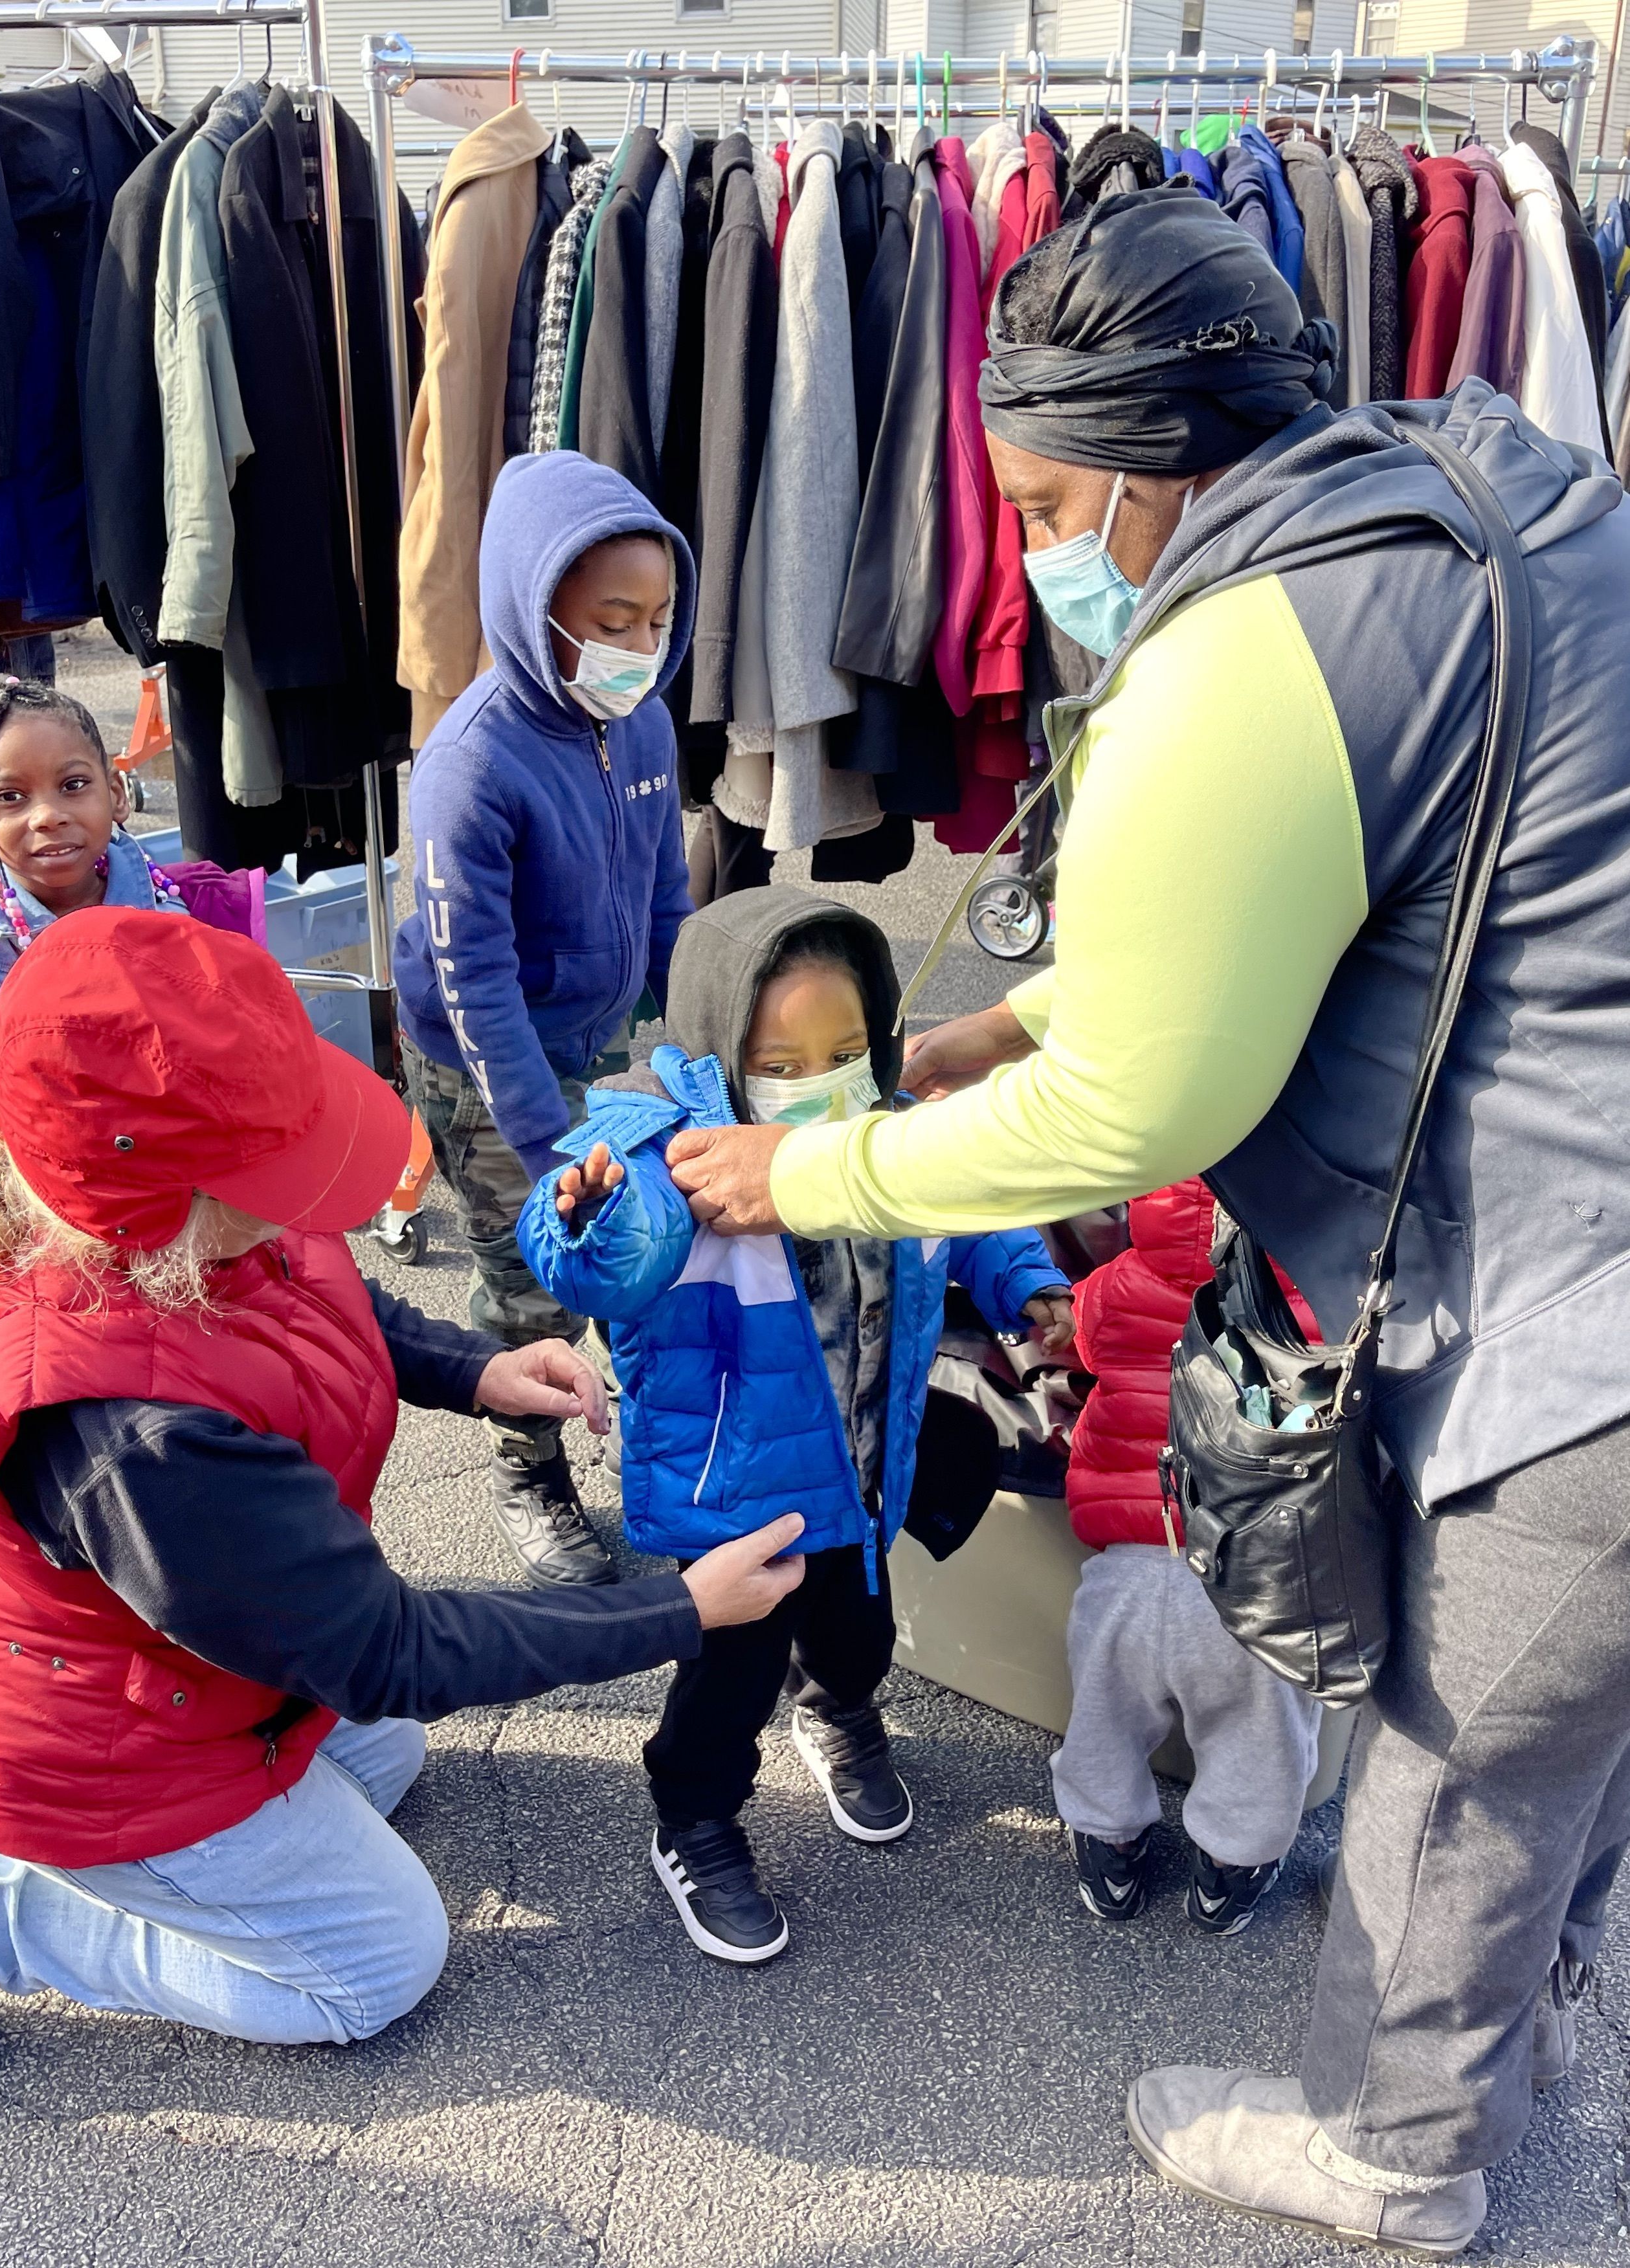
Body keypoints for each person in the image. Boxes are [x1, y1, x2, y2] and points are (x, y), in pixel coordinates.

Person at [659, 185, 1630, 2254]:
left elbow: (1144, 1098)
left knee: (1470, 1733)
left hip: (1581, 1302)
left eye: (1031, 499)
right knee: (1570, 1726)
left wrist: (809, 1164)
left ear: (1136, 464)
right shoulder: (1439, 494)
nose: (1024, 551)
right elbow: (1312, 905)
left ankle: (1394, 2147)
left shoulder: (1246, 646)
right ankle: (1508, 2016)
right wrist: (998, 1025)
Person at [0, 908, 801, 2082]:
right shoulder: (133, 1437)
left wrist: (475, 1370)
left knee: (390, 1756)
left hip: (195, 1672)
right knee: (376, 1963)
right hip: (89, 1753)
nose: (329, 1199)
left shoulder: (171, 1221)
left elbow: (319, 1296)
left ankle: (215, 1845)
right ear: (152, 1202)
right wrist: (679, 1610)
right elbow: (384, 1646)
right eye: (277, 1169)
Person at [518, 891, 1074, 1964]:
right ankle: (696, 1818)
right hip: (734, 1499)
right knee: (728, 1680)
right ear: (725, 1048)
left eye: (847, 1046)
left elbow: (970, 1218)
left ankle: (836, 1712)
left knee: (858, 1636)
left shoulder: (893, 1128)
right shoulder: (675, 1156)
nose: (819, 1076)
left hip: (864, 1473)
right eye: (782, 1059)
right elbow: (604, 1255)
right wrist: (582, 1214)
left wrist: (1027, 1279)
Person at [393, 450, 693, 1592]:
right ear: (536, 609)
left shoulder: (644, 722)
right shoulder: (469, 768)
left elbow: (670, 897)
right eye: (613, 620)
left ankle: (659, 1449)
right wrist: (543, 1144)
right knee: (533, 1276)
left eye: (658, 618)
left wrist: (696, 1044)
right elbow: (475, 987)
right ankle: (530, 1472)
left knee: (651, 1241)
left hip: (600, 1025)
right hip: (485, 1059)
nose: (640, 644)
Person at [0, 678, 263, 1311]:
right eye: (10, 796)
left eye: (73, 785)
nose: (47, 813)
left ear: (115, 791)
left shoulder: (186, 914)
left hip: (163, 1209)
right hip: (11, 1226)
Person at [1055, 1178, 1321, 1937]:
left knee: (1104, 1715)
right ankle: (1234, 1865)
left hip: (1132, 1566)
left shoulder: (1115, 1289)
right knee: (1260, 1732)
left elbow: (1082, 1342)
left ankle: (1107, 1838)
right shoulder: (1328, 1301)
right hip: (1259, 1572)